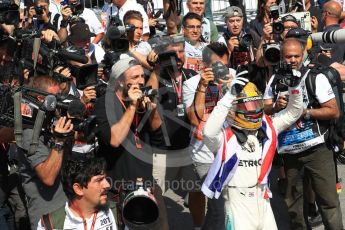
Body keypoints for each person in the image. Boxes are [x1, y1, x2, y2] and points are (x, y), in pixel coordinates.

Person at [200, 47, 304, 228]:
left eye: (256, 102)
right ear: (233, 108)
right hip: (236, 203)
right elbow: (208, 132)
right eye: (246, 105)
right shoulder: (225, 138)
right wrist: (230, 96)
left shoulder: (267, 128)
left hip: (263, 198)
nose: (253, 109)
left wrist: (295, 87)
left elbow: (294, 112)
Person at [264, 38, 343, 229]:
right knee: (294, 207)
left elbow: (333, 111)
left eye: (296, 56)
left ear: (303, 55)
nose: (292, 60)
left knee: (328, 202)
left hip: (317, 149)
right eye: (288, 56)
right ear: (282, 56)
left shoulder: (315, 77)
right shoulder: (275, 79)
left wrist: (306, 112)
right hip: (289, 154)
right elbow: (264, 108)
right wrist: (275, 107)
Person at [93, 57, 168, 230]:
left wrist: (153, 111)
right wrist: (132, 107)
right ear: (119, 81)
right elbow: (114, 140)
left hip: (145, 185)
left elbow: (159, 142)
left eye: (142, 76)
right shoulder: (105, 103)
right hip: (116, 188)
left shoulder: (144, 101)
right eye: (134, 77)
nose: (141, 81)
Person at [183, 42, 235, 230]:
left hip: (229, 149)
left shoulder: (234, 77)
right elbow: (194, 120)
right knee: (216, 205)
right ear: (203, 66)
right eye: (216, 66)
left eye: (224, 65)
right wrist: (203, 86)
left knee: (225, 206)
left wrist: (230, 86)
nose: (221, 70)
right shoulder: (191, 84)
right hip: (203, 153)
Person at [16, 75, 74, 229]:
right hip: (47, 218)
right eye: (52, 99)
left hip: (66, 210)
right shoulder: (29, 132)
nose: (57, 104)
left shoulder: (49, 124)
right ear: (39, 99)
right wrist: (59, 141)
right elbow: (47, 177)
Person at [37, 157, 119, 229]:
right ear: (78, 189)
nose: (107, 185)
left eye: (105, 179)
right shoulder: (50, 224)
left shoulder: (119, 212)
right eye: (99, 180)